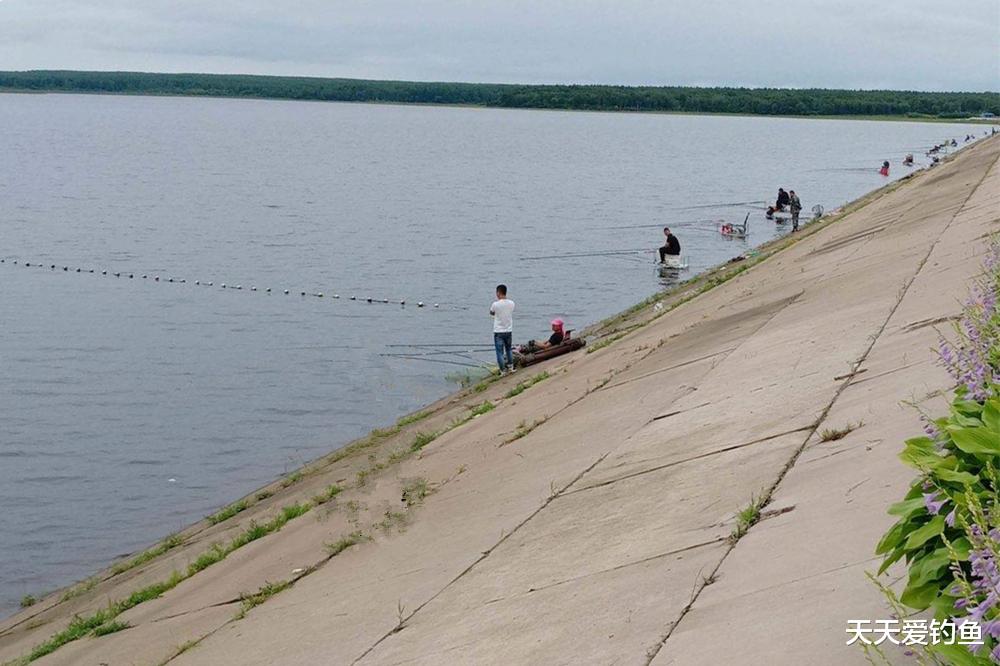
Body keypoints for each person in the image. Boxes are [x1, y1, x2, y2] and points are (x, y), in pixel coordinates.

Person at [490, 284, 515, 375]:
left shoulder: (495, 304)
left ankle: (503, 371)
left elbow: (491, 312)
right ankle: (511, 367)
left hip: (498, 331)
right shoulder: (512, 303)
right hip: (508, 330)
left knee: (499, 352)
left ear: (498, 293)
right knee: (508, 349)